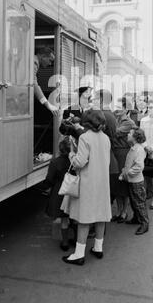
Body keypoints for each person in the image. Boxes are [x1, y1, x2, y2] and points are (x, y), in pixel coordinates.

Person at [61, 109, 111, 265]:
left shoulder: (84, 138)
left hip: (88, 182)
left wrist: (71, 153)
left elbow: (79, 162)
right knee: (100, 216)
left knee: (84, 219)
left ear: (87, 122)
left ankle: (79, 254)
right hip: (102, 181)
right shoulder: (106, 138)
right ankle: (98, 248)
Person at [45, 137, 74, 251]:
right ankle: (77, 239)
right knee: (75, 217)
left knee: (64, 219)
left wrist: (45, 186)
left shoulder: (55, 162)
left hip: (60, 192)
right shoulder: (74, 161)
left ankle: (65, 242)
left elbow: (49, 179)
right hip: (74, 190)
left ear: (60, 149)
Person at [120, 127, 149, 235]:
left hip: (136, 181)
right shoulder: (134, 148)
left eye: (130, 133)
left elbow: (139, 166)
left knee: (139, 203)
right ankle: (137, 218)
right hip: (132, 180)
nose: (128, 134)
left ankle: (144, 223)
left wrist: (127, 172)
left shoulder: (138, 149)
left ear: (135, 137)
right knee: (134, 201)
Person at [112, 98, 136, 222]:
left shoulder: (128, 122)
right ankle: (119, 210)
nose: (116, 109)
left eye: (119, 107)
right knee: (116, 182)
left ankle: (124, 212)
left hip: (122, 152)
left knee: (123, 182)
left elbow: (114, 133)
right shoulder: (116, 119)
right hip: (115, 152)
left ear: (126, 109)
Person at [34, 47, 59, 115]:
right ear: (43, 56)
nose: (50, 64)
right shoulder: (34, 62)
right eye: (50, 60)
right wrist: (47, 104)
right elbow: (33, 84)